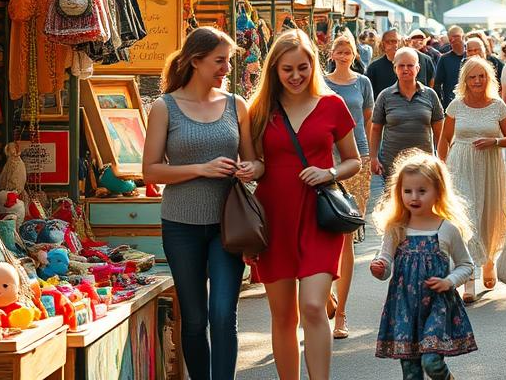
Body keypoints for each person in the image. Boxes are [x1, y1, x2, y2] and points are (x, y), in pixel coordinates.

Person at [143, 27, 261, 380]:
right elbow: (150, 171)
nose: (226, 68)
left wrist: (250, 168)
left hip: (229, 227)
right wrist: (202, 169)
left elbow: (257, 162)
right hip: (181, 226)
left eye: (228, 60)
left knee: (223, 314)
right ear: (195, 61)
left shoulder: (236, 104)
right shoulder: (164, 107)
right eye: (219, 61)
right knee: (193, 319)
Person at [245, 29, 361, 380]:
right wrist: (252, 167)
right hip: (274, 218)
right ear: (274, 70)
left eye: (303, 68)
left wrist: (328, 171)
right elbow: (259, 163)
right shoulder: (260, 109)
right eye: (287, 69)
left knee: (312, 305)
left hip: (318, 217)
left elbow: (353, 160)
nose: (296, 76)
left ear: (313, 65)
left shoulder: (332, 105)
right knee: (283, 316)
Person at [371, 150, 477, 379]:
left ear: (438, 192)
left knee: (432, 362)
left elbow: (466, 265)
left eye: (422, 191)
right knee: (410, 371)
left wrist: (449, 281)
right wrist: (379, 267)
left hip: (436, 306)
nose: (414, 197)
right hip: (404, 307)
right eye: (407, 191)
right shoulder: (396, 228)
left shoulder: (446, 229)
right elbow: (385, 261)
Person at [436, 57, 506, 302]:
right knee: (466, 219)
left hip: (490, 167)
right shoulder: (456, 106)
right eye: (472, 77)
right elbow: (444, 139)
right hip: (459, 165)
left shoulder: (498, 106)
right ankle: (468, 279)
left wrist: (495, 142)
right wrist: (440, 168)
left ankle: (489, 259)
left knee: (488, 216)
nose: (477, 81)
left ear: (489, 78)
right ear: (465, 80)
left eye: (482, 76)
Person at [324, 32, 375, 340]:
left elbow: (366, 119)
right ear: (331, 53)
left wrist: (366, 153)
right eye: (339, 50)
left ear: (355, 54)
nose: (343, 54)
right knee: (322, 229)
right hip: (325, 159)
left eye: (348, 50)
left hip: (357, 161)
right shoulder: (322, 82)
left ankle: (341, 311)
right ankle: (326, 293)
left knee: (345, 236)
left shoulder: (363, 83)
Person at [370, 48, 445, 181]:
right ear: (395, 68)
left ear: (418, 68)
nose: (405, 69)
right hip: (392, 165)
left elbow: (439, 130)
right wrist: (374, 157)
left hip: (424, 164)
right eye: (401, 66)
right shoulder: (385, 96)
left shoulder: (430, 95)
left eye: (410, 65)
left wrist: (441, 158)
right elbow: (376, 129)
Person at [367, 28, 435, 97]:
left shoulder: (424, 60)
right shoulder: (374, 68)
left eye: (398, 41)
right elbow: (369, 96)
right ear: (382, 44)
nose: (395, 45)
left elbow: (432, 86)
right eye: (390, 42)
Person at [432, 25, 466, 109]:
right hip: (451, 104)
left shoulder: (470, 56)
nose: (453, 40)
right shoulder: (444, 59)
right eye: (450, 38)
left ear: (463, 37)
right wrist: (440, 103)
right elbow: (437, 83)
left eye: (456, 36)